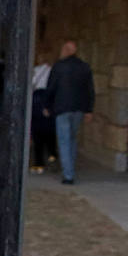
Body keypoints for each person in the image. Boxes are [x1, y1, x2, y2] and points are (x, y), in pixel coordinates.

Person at [47, 41, 94, 184]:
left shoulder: (59, 66)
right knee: (72, 139)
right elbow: (90, 89)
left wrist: (47, 105)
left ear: (66, 50)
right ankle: (70, 169)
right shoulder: (84, 67)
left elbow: (51, 87)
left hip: (62, 107)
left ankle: (68, 175)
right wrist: (89, 109)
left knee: (64, 140)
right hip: (78, 108)